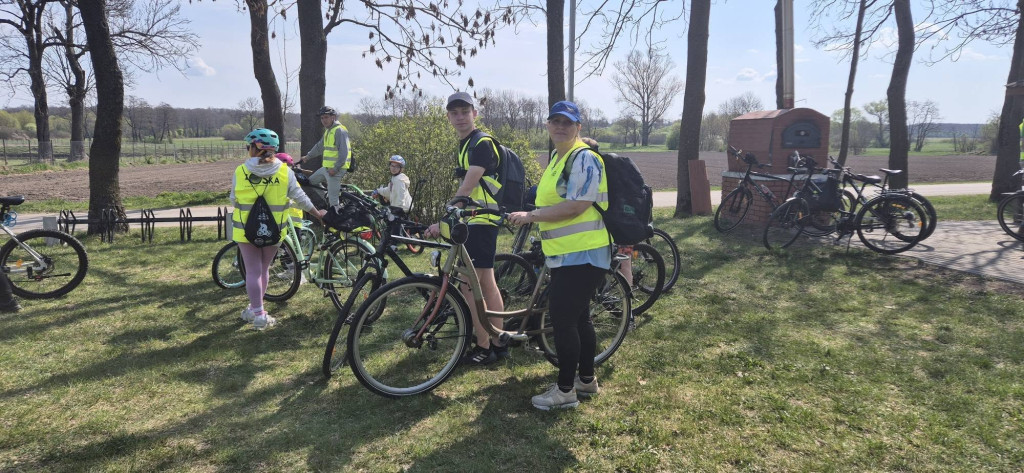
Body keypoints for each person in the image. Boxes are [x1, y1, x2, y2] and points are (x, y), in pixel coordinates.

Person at [508, 100, 610, 410]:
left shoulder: (584, 158)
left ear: (579, 127)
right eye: (555, 121)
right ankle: (586, 380)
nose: (560, 126)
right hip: (567, 254)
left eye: (567, 122)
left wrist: (531, 216)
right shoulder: (558, 158)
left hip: (584, 253)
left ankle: (565, 391)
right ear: (548, 126)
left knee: (564, 320)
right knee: (579, 319)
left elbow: (577, 205)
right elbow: (549, 196)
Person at [424, 91, 506, 366]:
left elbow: (467, 187)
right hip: (477, 219)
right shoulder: (466, 144)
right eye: (454, 113)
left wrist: (445, 218)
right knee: (485, 282)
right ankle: (498, 339)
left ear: (475, 114)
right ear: (448, 117)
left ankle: (484, 347)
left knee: (471, 286)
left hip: (482, 221)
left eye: (464, 112)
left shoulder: (481, 143)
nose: (460, 117)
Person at [230, 128, 326, 330]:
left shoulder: (241, 171)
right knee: (264, 269)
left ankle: (257, 313)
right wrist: (318, 214)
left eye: (248, 147)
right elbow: (301, 198)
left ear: (255, 148)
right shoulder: (285, 171)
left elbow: (233, 199)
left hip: (245, 230)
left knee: (253, 271)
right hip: (274, 230)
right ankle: (257, 309)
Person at [299, 106, 351, 207]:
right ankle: (327, 197)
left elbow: (343, 153)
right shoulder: (329, 131)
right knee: (311, 182)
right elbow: (319, 147)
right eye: (322, 118)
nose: (323, 120)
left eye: (326, 117)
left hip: (336, 170)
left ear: (333, 117)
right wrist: (307, 157)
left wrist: (335, 169)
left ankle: (336, 219)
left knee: (333, 202)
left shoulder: (339, 131)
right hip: (326, 169)